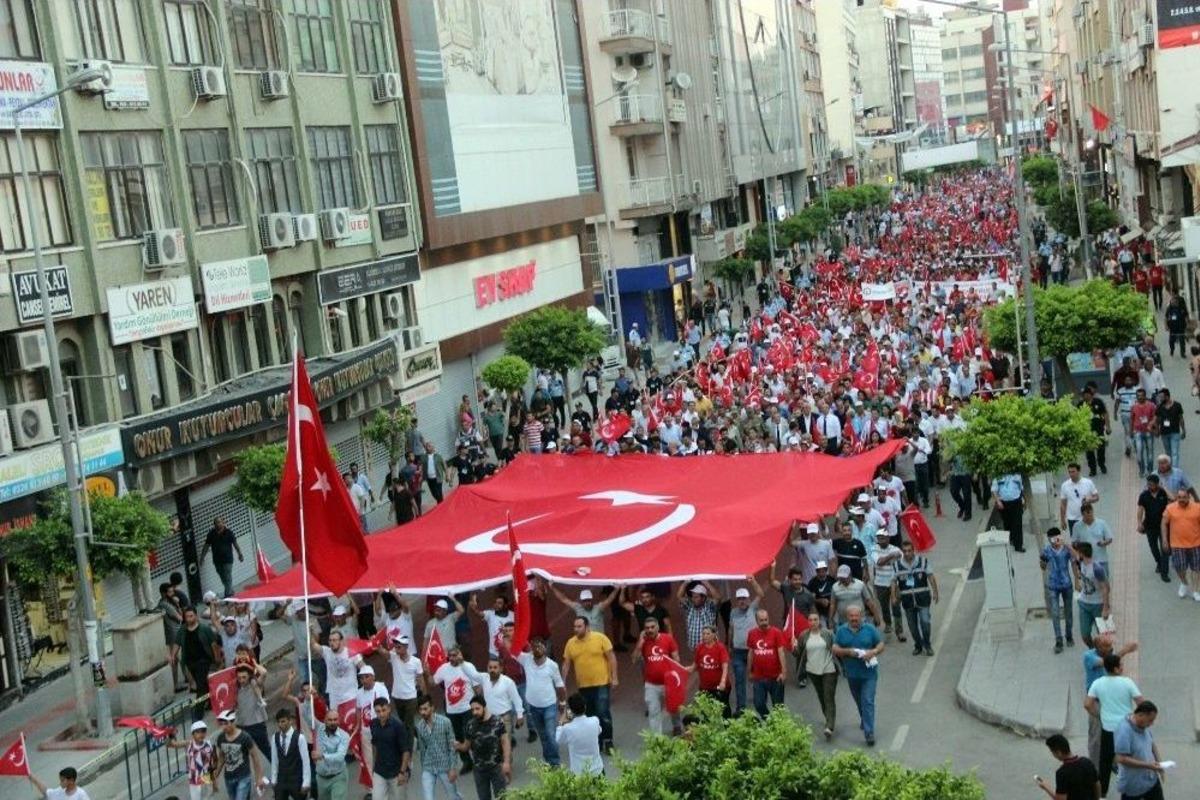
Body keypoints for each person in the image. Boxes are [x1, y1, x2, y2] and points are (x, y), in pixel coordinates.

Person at [1085, 653, 1144, 797]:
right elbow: (1142, 703)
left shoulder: (1097, 683)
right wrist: (1134, 718)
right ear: (1116, 669)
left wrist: (1099, 715)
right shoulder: (1127, 682)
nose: (1123, 667)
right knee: (1130, 760)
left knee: (1104, 763)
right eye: (1121, 665)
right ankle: (1133, 790)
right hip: (1127, 729)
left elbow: (1087, 704)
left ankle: (1102, 794)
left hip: (1108, 729)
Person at [561, 616, 617, 753]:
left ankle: (608, 740)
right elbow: (566, 664)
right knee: (590, 715)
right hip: (583, 686)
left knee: (603, 712)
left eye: (579, 626)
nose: (576, 629)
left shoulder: (600, 638)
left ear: (587, 627)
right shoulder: (571, 643)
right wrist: (562, 682)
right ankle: (596, 741)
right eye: (575, 627)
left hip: (601, 683)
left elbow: (611, 658)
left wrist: (614, 677)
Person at [832, 606, 885, 746]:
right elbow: (835, 648)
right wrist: (847, 652)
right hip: (852, 674)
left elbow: (880, 644)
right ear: (847, 617)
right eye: (851, 616)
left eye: (857, 616)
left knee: (867, 700)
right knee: (859, 701)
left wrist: (873, 652)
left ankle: (869, 733)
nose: (854, 618)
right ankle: (864, 718)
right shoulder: (842, 630)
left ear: (861, 616)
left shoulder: (869, 629)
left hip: (869, 674)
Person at [431, 646, 484, 773]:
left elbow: (477, 687)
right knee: (457, 737)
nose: (453, 658)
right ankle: (466, 761)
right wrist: (427, 672)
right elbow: (433, 682)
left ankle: (479, 759)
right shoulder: (443, 668)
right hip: (451, 710)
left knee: (471, 734)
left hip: (468, 708)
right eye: (451, 655)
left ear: (460, 654)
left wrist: (481, 704)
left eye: (456, 654)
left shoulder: (468, 667)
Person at [170, 606, 223, 720]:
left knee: (200, 687)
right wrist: (173, 655)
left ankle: (198, 713)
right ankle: (210, 701)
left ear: (196, 616)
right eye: (187, 617)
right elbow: (177, 643)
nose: (189, 619)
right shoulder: (183, 630)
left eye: (191, 616)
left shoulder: (204, 629)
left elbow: (214, 644)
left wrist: (217, 658)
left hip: (203, 661)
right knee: (203, 685)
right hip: (189, 663)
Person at [632, 616, 681, 735]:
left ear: (658, 627)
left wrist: (677, 676)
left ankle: (677, 726)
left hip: (668, 682)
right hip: (651, 684)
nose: (650, 630)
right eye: (647, 628)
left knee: (673, 707)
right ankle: (657, 737)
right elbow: (634, 660)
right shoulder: (643, 642)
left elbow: (676, 658)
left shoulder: (668, 639)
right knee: (653, 711)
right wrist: (640, 643)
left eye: (652, 627)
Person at [794, 612, 838, 740]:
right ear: (808, 622)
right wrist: (794, 646)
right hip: (812, 671)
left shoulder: (828, 634)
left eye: (815, 619)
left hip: (829, 669)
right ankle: (828, 717)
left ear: (819, 621)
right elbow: (798, 654)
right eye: (811, 620)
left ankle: (830, 726)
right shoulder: (803, 636)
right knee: (821, 696)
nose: (813, 622)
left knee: (828, 696)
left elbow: (836, 647)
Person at [457, 696, 510, 800]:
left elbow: (505, 742)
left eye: (477, 709)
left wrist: (507, 762)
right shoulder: (470, 725)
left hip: (496, 768)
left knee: (502, 797)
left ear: (484, 707)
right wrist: (458, 746)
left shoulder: (498, 721)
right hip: (479, 770)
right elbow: (466, 746)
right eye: (472, 710)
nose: (474, 712)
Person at [893, 541, 939, 656]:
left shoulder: (923, 562)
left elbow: (931, 576)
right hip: (907, 601)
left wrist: (935, 592)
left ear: (913, 550)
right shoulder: (896, 565)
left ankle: (927, 645)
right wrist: (894, 596)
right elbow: (893, 582)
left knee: (925, 622)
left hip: (923, 598)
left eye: (909, 551)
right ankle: (918, 645)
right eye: (905, 551)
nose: (907, 553)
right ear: (902, 552)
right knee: (912, 627)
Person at [1115, 701, 1167, 800]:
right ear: (1141, 715)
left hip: (1151, 780)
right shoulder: (1124, 731)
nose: (1152, 724)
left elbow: (1152, 744)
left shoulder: (1143, 726)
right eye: (1150, 720)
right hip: (1133, 785)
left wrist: (1159, 764)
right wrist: (1148, 765)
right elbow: (1121, 759)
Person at [413, 694, 462, 800]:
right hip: (428, 766)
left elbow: (452, 746)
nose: (423, 712)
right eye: (420, 709)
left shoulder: (445, 722)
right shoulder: (420, 726)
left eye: (425, 709)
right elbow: (422, 749)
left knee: (453, 796)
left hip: (445, 766)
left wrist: (453, 768)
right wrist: (423, 767)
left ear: (432, 707)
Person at [726, 579, 763, 714]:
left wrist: (753, 581)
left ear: (748, 599)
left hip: (752, 651)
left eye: (744, 598)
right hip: (738, 652)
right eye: (739, 599)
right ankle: (741, 707)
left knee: (755, 677)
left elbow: (760, 593)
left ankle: (759, 701)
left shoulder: (753, 608)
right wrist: (729, 645)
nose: (742, 601)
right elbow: (731, 629)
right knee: (739, 678)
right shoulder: (733, 612)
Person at [213, 709, 265, 800]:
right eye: (221, 724)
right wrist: (215, 774)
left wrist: (259, 778)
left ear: (233, 722)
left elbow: (255, 758)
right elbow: (221, 757)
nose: (223, 727)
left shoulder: (245, 737)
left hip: (243, 777)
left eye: (226, 723)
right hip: (228, 778)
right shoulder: (221, 738)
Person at [746, 608, 788, 717]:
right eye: (761, 620)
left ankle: (780, 728)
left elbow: (781, 653)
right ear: (756, 621)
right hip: (759, 677)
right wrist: (750, 671)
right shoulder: (752, 634)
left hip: (775, 677)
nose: (764, 622)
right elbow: (751, 653)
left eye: (766, 620)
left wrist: (783, 672)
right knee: (759, 704)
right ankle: (769, 721)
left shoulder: (776, 632)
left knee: (778, 707)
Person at [370, 697, 413, 800]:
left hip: (396, 772)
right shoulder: (374, 724)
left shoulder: (398, 726)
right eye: (378, 711)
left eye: (383, 710)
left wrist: (402, 772)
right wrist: (374, 765)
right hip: (380, 771)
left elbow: (406, 751)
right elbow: (375, 745)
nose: (381, 714)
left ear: (389, 709)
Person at [1040, 529, 1076, 653]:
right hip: (1053, 585)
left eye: (1057, 538)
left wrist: (1067, 545)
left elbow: (1075, 559)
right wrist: (1043, 563)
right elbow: (1043, 565)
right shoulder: (1046, 550)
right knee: (1055, 613)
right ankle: (1058, 639)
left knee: (1068, 611)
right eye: (1052, 539)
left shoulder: (1066, 549)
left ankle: (1069, 635)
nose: (1055, 541)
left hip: (1067, 584)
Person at [1162, 486, 1200, 601]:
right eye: (1179, 497)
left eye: (1184, 497)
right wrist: (1164, 540)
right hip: (1177, 545)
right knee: (1179, 568)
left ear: (1189, 497)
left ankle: (1196, 590)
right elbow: (1163, 523)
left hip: (1196, 544)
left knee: (1196, 569)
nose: (1181, 499)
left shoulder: (1197, 508)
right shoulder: (1170, 508)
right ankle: (1184, 583)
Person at [1035, 734, 1099, 800]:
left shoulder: (1062, 773)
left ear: (1058, 752)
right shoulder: (1087, 762)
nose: (1053, 755)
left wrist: (1046, 787)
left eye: (1052, 752)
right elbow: (1097, 785)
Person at [869, 530, 905, 641]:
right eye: (879, 538)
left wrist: (892, 556)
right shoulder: (874, 549)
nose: (881, 540)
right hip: (880, 583)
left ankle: (899, 631)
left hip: (894, 583)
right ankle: (888, 624)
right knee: (884, 606)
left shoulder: (895, 549)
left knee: (896, 607)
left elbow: (902, 561)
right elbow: (879, 562)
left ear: (888, 538)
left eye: (883, 538)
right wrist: (891, 556)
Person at [555, 693, 604, 776]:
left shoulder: (567, 728)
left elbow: (558, 740)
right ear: (585, 706)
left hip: (578, 772)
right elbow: (599, 730)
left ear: (570, 710)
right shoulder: (594, 721)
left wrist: (561, 723)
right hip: (597, 769)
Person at [1072, 542, 1110, 649]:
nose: (1077, 555)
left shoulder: (1097, 568)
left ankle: (1106, 654)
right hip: (1084, 603)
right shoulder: (1081, 563)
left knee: (1103, 634)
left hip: (1097, 605)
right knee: (1085, 635)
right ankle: (1093, 649)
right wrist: (1064, 544)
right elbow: (1072, 552)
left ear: (1082, 554)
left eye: (1078, 553)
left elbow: (1105, 588)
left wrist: (1106, 608)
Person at [267, 709, 310, 800]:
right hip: (281, 780)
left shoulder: (300, 738)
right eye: (278, 722)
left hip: (296, 780)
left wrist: (306, 782)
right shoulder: (275, 737)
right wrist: (274, 779)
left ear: (290, 721)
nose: (280, 724)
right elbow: (275, 760)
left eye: (283, 721)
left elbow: (305, 761)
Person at [1136, 474, 1172, 583]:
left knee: (1165, 548)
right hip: (1150, 526)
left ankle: (1164, 573)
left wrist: (1164, 488)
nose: (1149, 486)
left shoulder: (1163, 493)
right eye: (1148, 484)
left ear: (1157, 484)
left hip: (1163, 526)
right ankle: (1159, 563)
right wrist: (1139, 523)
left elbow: (1173, 498)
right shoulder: (1144, 495)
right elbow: (1140, 509)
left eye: (1151, 484)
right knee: (1153, 547)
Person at [687, 624, 730, 715]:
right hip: (705, 687)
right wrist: (685, 670)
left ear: (714, 635)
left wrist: (722, 682)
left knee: (724, 710)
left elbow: (725, 666)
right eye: (703, 634)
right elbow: (695, 665)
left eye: (708, 634)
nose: (705, 636)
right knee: (705, 712)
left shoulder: (720, 648)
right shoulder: (699, 647)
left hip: (719, 687)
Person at [199, 517, 243, 598]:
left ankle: (228, 596)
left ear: (223, 522)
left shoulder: (229, 532)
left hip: (228, 559)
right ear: (214, 524)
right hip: (217, 560)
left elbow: (235, 544)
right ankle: (230, 591)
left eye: (219, 522)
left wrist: (240, 554)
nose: (218, 524)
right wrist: (202, 557)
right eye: (216, 523)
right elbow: (206, 546)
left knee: (227, 576)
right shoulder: (211, 534)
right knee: (223, 577)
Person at [313, 706, 351, 800]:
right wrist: (307, 700)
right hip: (321, 778)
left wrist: (322, 756)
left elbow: (340, 756)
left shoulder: (344, 736)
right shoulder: (319, 728)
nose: (333, 722)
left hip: (338, 777)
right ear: (325, 720)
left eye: (335, 719)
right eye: (330, 720)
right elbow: (308, 716)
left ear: (339, 720)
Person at [1071, 503, 1114, 574]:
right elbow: (1073, 542)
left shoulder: (1102, 523)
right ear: (1082, 514)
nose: (1088, 516)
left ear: (1092, 511)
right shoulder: (1077, 526)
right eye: (1085, 514)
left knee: (1103, 583)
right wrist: (1080, 547)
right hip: (1086, 562)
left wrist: (1104, 543)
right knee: (1089, 583)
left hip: (1101, 560)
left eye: (1089, 513)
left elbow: (1109, 538)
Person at [1060, 464, 1100, 535]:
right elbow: (1063, 504)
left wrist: (1090, 499)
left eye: (1073, 472)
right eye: (1069, 472)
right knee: (1075, 542)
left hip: (1086, 517)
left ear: (1079, 471)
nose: (1071, 474)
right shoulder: (1065, 485)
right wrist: (1062, 520)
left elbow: (1097, 497)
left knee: (1088, 540)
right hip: (1072, 519)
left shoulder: (1088, 483)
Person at [991, 472, 1026, 552]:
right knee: (1007, 522)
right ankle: (1011, 538)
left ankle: (1018, 545)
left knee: (1017, 523)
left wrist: (1023, 499)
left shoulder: (1017, 475)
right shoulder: (998, 476)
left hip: (1016, 501)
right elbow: (994, 490)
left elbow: (1020, 488)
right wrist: (998, 501)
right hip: (1003, 503)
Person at [1155, 388, 1185, 466]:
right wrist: (1157, 430)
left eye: (1161, 397)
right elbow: (1157, 420)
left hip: (1175, 432)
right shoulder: (1159, 407)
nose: (1160, 398)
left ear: (1167, 397)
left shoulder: (1177, 405)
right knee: (1168, 453)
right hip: (1164, 433)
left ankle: (1175, 470)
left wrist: (1183, 430)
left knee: (1174, 452)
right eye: (1159, 397)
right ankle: (1170, 467)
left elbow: (1181, 418)